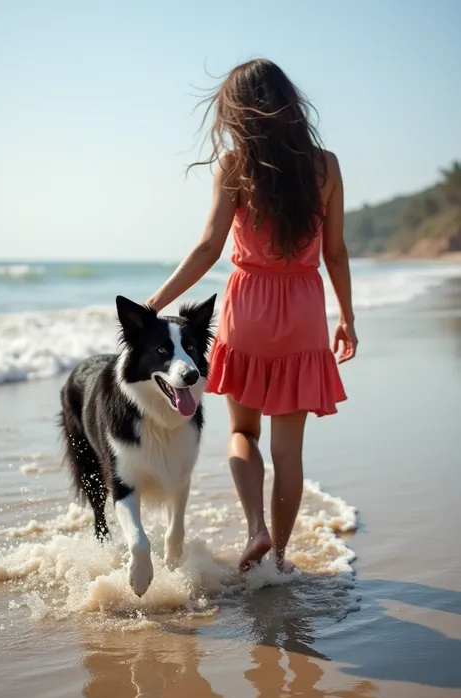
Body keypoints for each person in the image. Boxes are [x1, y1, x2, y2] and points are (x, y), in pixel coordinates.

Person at [145, 59, 357, 573]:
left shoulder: (235, 164)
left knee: (243, 434)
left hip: (249, 309)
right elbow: (336, 253)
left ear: (236, 110)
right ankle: (278, 560)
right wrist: (347, 316)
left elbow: (207, 249)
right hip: (304, 309)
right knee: (289, 451)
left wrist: (153, 304)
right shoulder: (326, 165)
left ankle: (256, 530)